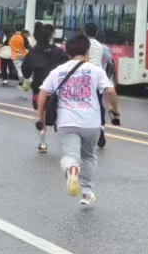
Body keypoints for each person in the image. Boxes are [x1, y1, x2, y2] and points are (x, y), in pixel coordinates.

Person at [38, 35, 118, 207]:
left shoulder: (58, 71)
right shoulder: (96, 70)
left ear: (68, 52)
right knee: (88, 156)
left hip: (67, 123)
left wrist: (39, 117)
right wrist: (115, 111)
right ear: (87, 51)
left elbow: (43, 93)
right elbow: (110, 92)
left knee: (70, 156)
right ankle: (87, 193)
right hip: (91, 123)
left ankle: (72, 170)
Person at [21, 25, 68, 152]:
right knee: (62, 113)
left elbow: (25, 72)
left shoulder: (32, 53)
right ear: (51, 36)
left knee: (40, 115)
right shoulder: (59, 52)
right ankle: (62, 136)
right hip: (59, 89)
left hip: (39, 89)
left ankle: (42, 143)